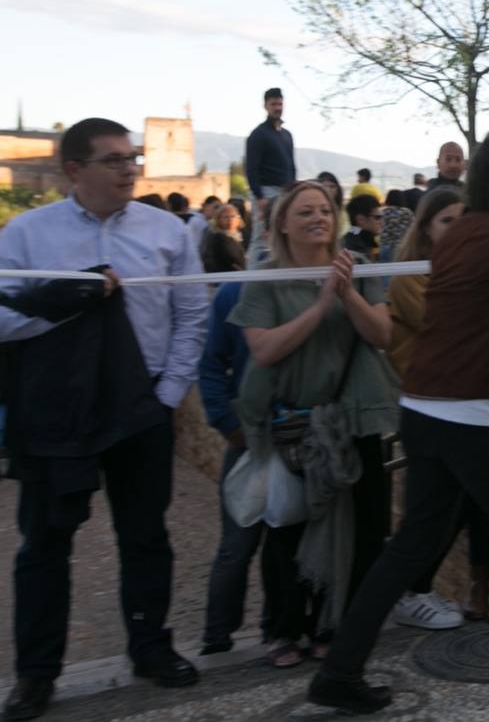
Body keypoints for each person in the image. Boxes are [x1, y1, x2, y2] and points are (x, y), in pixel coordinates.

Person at [309, 128, 489, 714]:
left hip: (424, 407)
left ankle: (340, 669)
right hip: (479, 414)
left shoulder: (459, 233)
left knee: (412, 544)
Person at [0, 118, 210, 721]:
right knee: (44, 545)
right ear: (74, 170)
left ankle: (151, 648)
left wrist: (167, 395)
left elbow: (192, 315)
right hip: (58, 410)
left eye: (133, 157)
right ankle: (36, 675)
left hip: (142, 408)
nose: (129, 168)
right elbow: (5, 319)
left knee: (146, 537)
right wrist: (70, 298)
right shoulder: (27, 235)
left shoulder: (167, 231)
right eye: (113, 160)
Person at [229, 182, 399, 669]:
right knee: (289, 529)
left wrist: (346, 294)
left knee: (363, 529)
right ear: (283, 223)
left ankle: (338, 625)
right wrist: (322, 302)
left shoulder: (363, 270)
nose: (317, 218)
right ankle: (287, 628)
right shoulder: (264, 278)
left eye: (325, 210)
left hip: (354, 423)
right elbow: (263, 349)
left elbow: (382, 334)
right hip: (294, 426)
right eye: (305, 211)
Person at [384, 187, 489, 628]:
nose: (458, 229)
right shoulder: (409, 275)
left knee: (470, 505)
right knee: (430, 514)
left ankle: (469, 590)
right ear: (426, 226)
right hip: (432, 404)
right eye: (448, 221)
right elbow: (453, 326)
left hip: (466, 400)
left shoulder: (461, 269)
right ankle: (405, 593)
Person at [198, 282, 275, 655]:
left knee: (285, 546)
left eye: (324, 215)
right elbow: (212, 363)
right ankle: (217, 638)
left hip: (302, 440)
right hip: (249, 438)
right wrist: (227, 424)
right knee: (237, 546)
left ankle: (277, 631)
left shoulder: (319, 284)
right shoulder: (235, 292)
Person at [244, 88, 297, 266]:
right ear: (265, 106)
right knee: (261, 238)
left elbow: (291, 165)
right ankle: (251, 279)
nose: (277, 107)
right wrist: (259, 196)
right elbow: (251, 168)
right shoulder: (258, 135)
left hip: (286, 191)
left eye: (280, 103)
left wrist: (294, 190)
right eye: (273, 104)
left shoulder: (287, 135)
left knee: (286, 234)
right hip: (265, 191)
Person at [200, 201, 247, 274]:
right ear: (218, 219)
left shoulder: (240, 235)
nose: (230, 219)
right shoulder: (218, 237)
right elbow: (232, 260)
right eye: (226, 217)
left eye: (233, 216)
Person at [342, 195, 382, 261]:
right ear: (361, 219)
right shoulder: (355, 249)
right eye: (377, 217)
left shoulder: (352, 238)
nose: (381, 221)